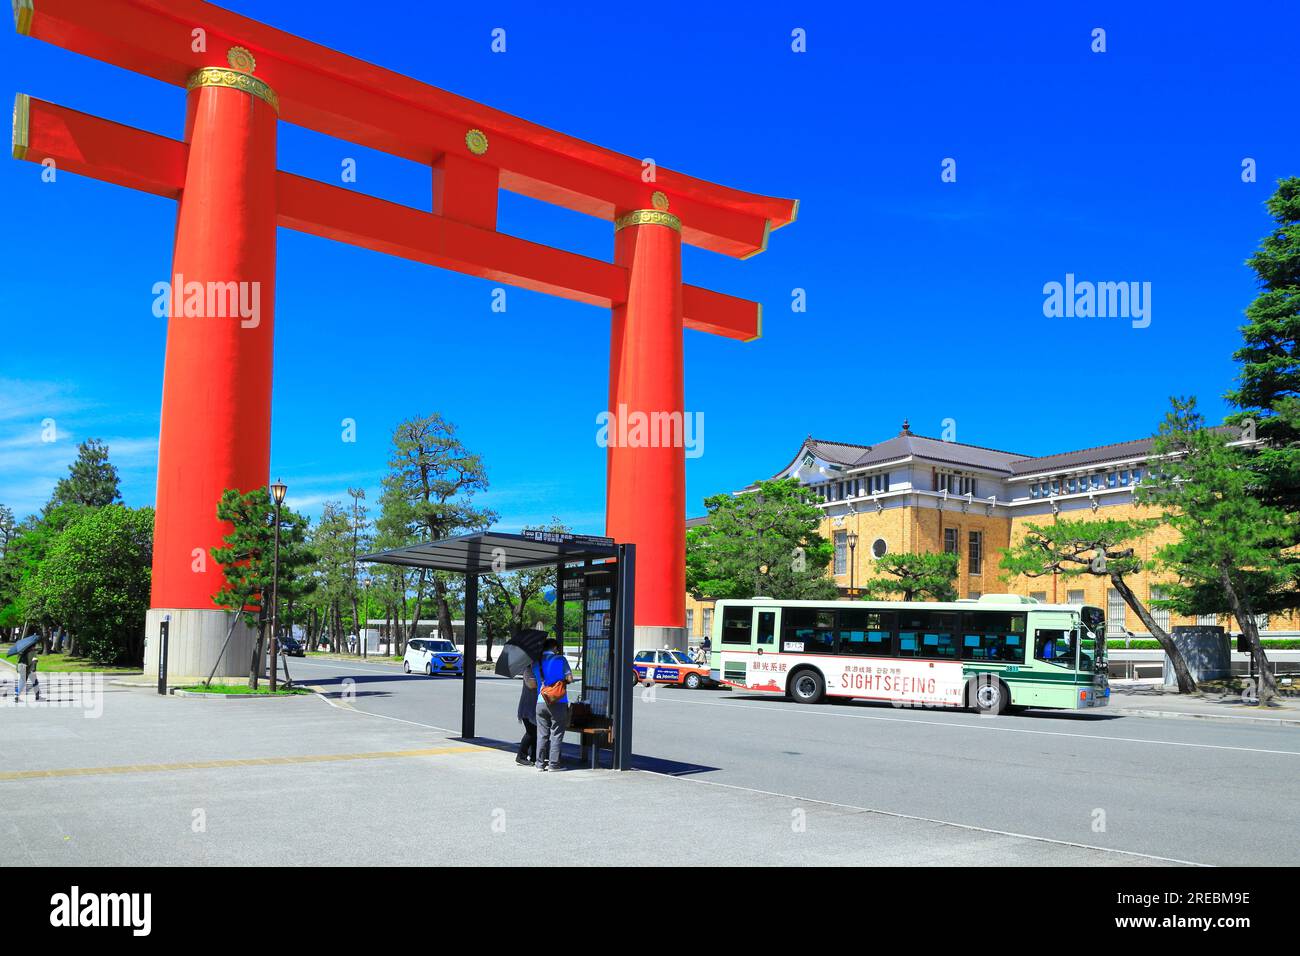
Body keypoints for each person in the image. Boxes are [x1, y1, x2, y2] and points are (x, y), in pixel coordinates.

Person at [533, 638, 573, 772]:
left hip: (541, 700)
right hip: (558, 702)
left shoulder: (536, 662)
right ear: (554, 647)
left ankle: (539, 764)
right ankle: (554, 764)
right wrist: (562, 681)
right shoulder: (561, 660)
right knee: (556, 733)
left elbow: (535, 681)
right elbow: (570, 678)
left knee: (542, 734)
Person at [516, 670, 538, 766]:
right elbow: (532, 685)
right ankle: (521, 756)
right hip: (527, 706)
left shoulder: (536, 669)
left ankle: (534, 756)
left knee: (536, 732)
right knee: (531, 732)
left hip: (535, 706)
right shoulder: (528, 670)